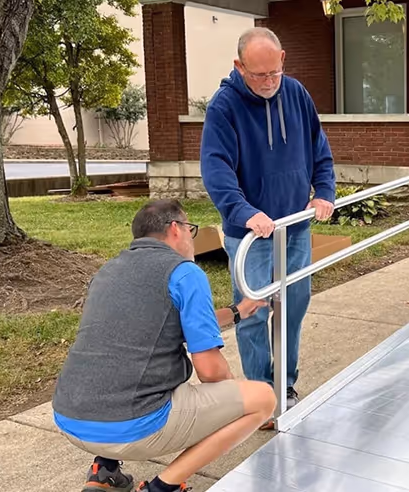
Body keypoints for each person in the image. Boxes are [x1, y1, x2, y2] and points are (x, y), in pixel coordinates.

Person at [52, 199, 276, 492]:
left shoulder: (108, 270)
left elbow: (160, 322)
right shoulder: (185, 272)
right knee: (262, 399)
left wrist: (236, 311)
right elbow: (210, 371)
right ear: (175, 229)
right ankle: (162, 488)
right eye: (190, 229)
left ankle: (104, 470)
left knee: (124, 364)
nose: (191, 239)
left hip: (70, 417)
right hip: (131, 427)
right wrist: (232, 398)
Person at [199, 27, 336, 419]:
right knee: (253, 312)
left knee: (295, 303)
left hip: (295, 227)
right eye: (258, 75)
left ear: (283, 59)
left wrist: (324, 191)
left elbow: (319, 151)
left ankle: (285, 384)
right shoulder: (224, 107)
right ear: (239, 66)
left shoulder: (296, 94)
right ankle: (260, 393)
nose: (268, 82)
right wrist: (245, 212)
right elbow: (216, 170)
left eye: (274, 73)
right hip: (252, 235)